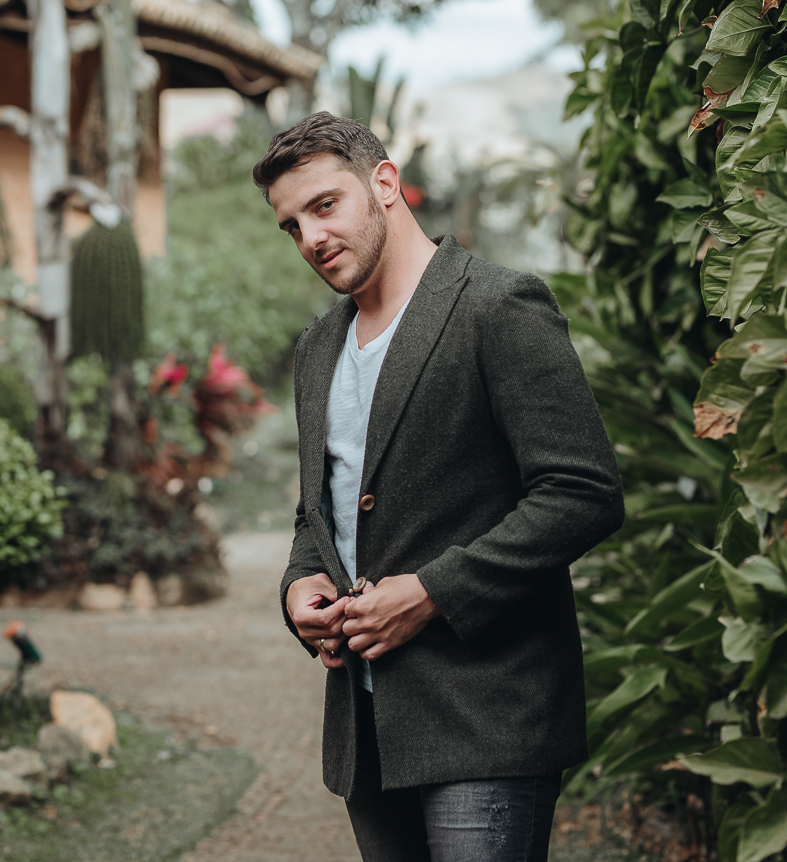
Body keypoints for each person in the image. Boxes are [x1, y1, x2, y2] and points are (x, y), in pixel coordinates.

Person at [252, 111, 624, 862]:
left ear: (385, 183)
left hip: (489, 714)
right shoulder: (317, 348)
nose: (312, 238)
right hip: (366, 728)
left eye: (325, 205)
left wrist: (431, 592)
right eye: (292, 226)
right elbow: (318, 511)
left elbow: (581, 491)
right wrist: (300, 584)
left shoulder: (497, 306)